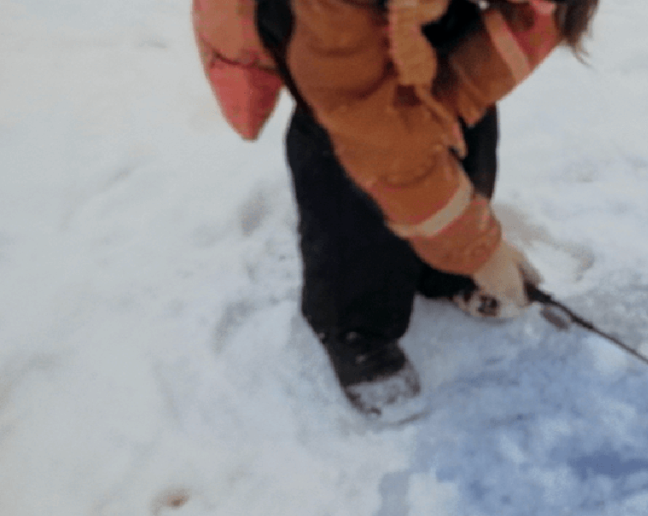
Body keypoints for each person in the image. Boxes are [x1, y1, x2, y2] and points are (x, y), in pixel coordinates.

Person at [192, 0, 598, 419]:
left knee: (453, 96)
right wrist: (478, 248)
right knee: (350, 165)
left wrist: (449, 102)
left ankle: (442, 270)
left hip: (417, 11)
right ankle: (356, 322)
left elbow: (526, 22)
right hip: (322, 34)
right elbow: (374, 129)